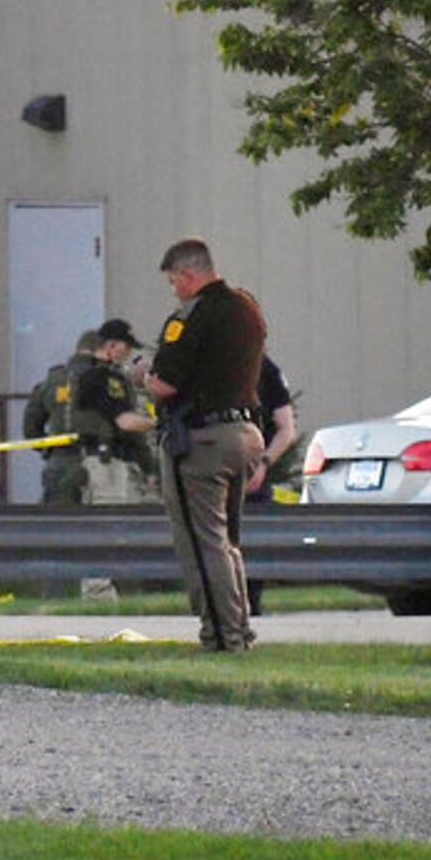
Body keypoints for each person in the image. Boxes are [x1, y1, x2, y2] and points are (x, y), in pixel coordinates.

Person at [142, 238, 267, 652]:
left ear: (189, 274)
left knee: (202, 542)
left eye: (174, 280)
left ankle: (222, 637)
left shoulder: (190, 317)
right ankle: (240, 628)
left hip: (203, 441)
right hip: (245, 434)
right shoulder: (247, 307)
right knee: (228, 541)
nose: (174, 289)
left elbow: (164, 384)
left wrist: (137, 374)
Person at [71, 318, 158, 504]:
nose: (127, 352)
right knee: (112, 518)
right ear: (111, 345)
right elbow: (124, 421)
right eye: (125, 347)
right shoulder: (104, 378)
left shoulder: (92, 374)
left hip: (102, 458)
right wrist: (159, 424)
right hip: (106, 462)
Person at [239, 352, 298, 615]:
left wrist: (263, 463)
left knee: (253, 538)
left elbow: (286, 428)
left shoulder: (266, 369)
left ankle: (252, 604)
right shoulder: (211, 361)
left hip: (253, 469)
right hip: (215, 465)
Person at [23, 330, 101, 503]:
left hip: (58, 465)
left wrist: (50, 449)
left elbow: (30, 430)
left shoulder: (51, 381)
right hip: (100, 468)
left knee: (59, 526)